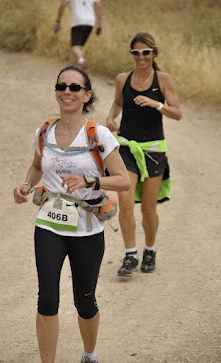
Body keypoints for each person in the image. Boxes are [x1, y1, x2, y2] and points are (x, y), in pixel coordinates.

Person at [13, 65, 130, 363]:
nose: (67, 92)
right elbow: (38, 166)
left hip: (87, 230)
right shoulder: (45, 130)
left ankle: (89, 354)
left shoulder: (98, 134)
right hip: (49, 225)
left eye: (75, 88)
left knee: (85, 302)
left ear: (86, 95)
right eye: (62, 86)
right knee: (47, 298)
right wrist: (26, 185)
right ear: (56, 92)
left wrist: (90, 181)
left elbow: (124, 180)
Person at [106, 32, 182, 277]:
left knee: (148, 208)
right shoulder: (122, 79)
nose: (141, 57)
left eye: (145, 53)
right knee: (125, 205)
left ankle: (150, 250)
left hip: (153, 151)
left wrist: (156, 104)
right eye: (136, 53)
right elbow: (118, 103)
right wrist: (110, 118)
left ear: (153, 53)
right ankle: (130, 255)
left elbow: (177, 113)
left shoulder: (163, 79)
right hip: (127, 148)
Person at [54, 0, 102, 70]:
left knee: (75, 46)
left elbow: (63, 5)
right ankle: (81, 68)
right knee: (81, 46)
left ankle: (81, 62)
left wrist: (58, 20)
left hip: (77, 21)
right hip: (90, 21)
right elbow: (99, 6)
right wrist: (100, 24)